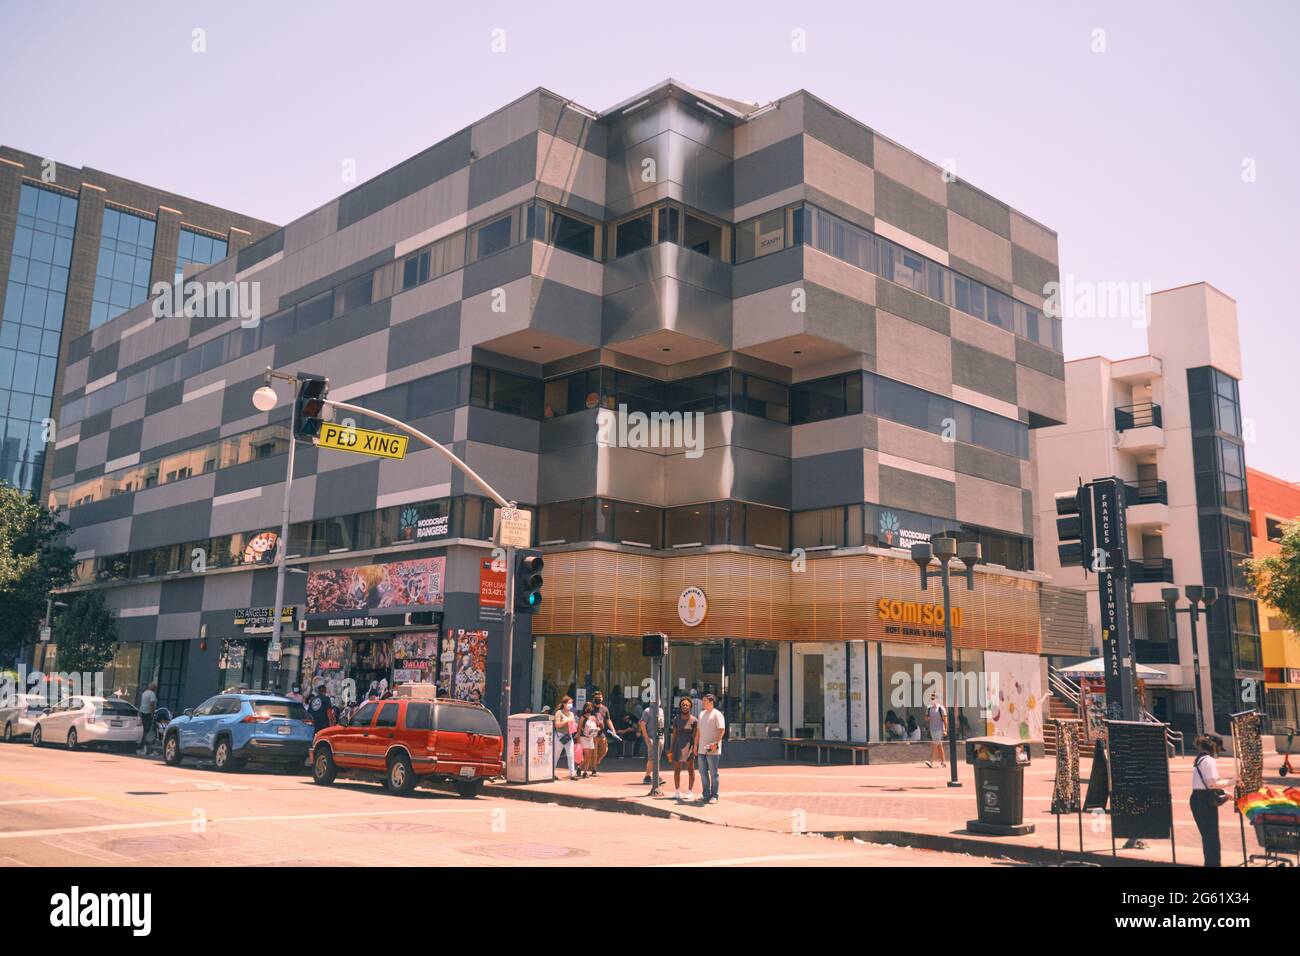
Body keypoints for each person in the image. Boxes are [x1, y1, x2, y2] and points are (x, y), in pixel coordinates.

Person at [1191, 734, 1231, 867]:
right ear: (1213, 747)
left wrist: (1224, 792)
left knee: (1207, 837)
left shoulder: (1199, 759)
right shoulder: (1209, 760)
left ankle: (1210, 863)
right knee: (1212, 838)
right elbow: (1212, 784)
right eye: (1218, 748)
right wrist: (1232, 781)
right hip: (1204, 801)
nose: (1218, 752)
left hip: (1197, 799)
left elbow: (1203, 784)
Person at [694, 693, 726, 804]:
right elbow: (698, 732)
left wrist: (716, 744)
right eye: (703, 701)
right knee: (703, 773)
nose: (703, 703)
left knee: (713, 773)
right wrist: (695, 745)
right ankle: (705, 795)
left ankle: (714, 795)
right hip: (702, 749)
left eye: (705, 701)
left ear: (711, 702)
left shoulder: (717, 714)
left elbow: (721, 730)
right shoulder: (701, 714)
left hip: (713, 750)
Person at [669, 697, 698, 801]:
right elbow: (674, 735)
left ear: (690, 706)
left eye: (687, 705)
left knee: (691, 769)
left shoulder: (694, 720)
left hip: (689, 746)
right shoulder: (676, 719)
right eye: (683, 705)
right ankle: (677, 792)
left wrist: (695, 748)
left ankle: (690, 791)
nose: (685, 706)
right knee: (677, 769)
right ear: (680, 707)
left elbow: (695, 736)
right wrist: (671, 748)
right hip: (678, 746)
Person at [589, 689, 620, 775]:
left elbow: (608, 720)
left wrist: (613, 730)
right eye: (597, 697)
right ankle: (594, 769)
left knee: (604, 750)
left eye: (600, 697)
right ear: (593, 698)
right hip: (593, 732)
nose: (599, 698)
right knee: (594, 751)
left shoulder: (605, 708)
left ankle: (596, 762)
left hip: (602, 733)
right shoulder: (590, 708)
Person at [639, 698, 666, 785]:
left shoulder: (661, 710)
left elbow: (661, 723)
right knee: (652, 758)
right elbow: (642, 723)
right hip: (651, 738)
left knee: (657, 758)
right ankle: (650, 776)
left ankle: (653, 776)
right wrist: (646, 737)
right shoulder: (647, 711)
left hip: (660, 738)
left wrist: (661, 736)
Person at [553, 696, 579, 780]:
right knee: (556, 754)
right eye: (568, 703)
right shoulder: (559, 713)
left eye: (571, 703)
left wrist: (575, 725)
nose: (570, 705)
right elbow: (557, 725)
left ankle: (572, 774)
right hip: (560, 736)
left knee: (571, 754)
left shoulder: (571, 714)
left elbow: (574, 723)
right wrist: (566, 722)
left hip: (569, 736)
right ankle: (551, 772)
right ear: (564, 704)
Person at [924, 697, 947, 768]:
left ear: (937, 699)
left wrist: (945, 729)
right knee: (939, 745)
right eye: (931, 699)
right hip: (932, 729)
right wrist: (928, 718)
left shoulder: (941, 708)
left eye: (934, 698)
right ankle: (943, 762)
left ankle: (930, 761)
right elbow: (926, 718)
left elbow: (945, 719)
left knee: (935, 744)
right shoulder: (929, 708)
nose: (932, 700)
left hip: (940, 729)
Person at [579, 702, 600, 778]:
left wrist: (597, 729)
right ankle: (582, 769)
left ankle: (583, 770)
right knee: (586, 754)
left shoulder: (593, 717)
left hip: (590, 738)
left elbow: (596, 726)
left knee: (589, 756)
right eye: (587, 706)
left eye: (590, 706)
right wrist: (578, 740)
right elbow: (579, 729)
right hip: (583, 737)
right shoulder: (582, 718)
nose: (589, 708)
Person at [137, 682, 158, 755]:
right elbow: (152, 704)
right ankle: (144, 740)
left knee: (144, 727)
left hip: (142, 711)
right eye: (155, 687)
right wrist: (152, 713)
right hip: (148, 713)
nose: (155, 689)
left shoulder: (145, 693)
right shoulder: (152, 694)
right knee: (147, 727)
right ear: (153, 688)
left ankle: (143, 739)